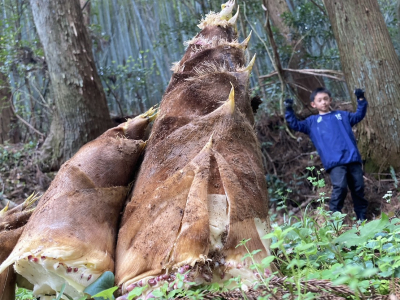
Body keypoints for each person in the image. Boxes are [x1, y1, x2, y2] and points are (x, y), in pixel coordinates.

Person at [284, 87, 368, 220]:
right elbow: (295, 125)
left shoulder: (342, 116)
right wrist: (288, 109)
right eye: (319, 100)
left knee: (358, 188)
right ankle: (334, 219)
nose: (323, 102)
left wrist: (361, 99)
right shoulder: (311, 122)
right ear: (314, 104)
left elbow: (359, 115)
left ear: (330, 100)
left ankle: (362, 218)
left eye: (325, 99)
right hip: (334, 162)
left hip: (352, 157)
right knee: (340, 187)